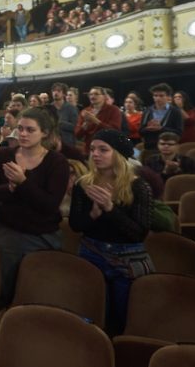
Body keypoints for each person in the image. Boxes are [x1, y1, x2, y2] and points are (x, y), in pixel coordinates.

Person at [0, 107, 70, 302]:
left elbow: (49, 205)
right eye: (20, 128)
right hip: (5, 230)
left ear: (44, 132)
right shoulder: (4, 155)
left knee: (34, 292)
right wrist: (10, 189)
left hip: (40, 235)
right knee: (3, 289)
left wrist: (23, 183)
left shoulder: (56, 162)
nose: (23, 134)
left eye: (30, 129)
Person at [70, 130, 154, 334]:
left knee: (122, 319)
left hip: (127, 259)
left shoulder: (138, 186)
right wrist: (93, 214)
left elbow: (139, 233)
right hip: (92, 253)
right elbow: (75, 225)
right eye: (92, 150)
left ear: (117, 154)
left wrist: (110, 208)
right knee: (92, 316)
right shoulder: (83, 185)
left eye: (103, 150)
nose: (95, 154)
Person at [75, 86, 122, 153]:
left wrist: (96, 121)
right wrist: (85, 124)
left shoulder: (114, 110)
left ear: (104, 96)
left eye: (96, 94)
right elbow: (77, 135)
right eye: (90, 94)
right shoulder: (85, 111)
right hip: (90, 149)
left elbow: (115, 131)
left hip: (108, 148)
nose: (92, 96)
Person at [140, 83, 183, 153]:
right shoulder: (147, 111)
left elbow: (179, 132)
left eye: (161, 96)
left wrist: (161, 129)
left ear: (168, 97)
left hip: (167, 148)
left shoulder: (175, 112)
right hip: (150, 147)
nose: (158, 98)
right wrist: (147, 128)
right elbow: (141, 131)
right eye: (155, 95)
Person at [51, 82, 79, 147]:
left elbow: (76, 127)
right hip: (52, 143)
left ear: (64, 94)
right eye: (54, 91)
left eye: (58, 91)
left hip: (67, 143)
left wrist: (60, 123)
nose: (55, 93)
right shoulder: (48, 108)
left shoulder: (71, 108)